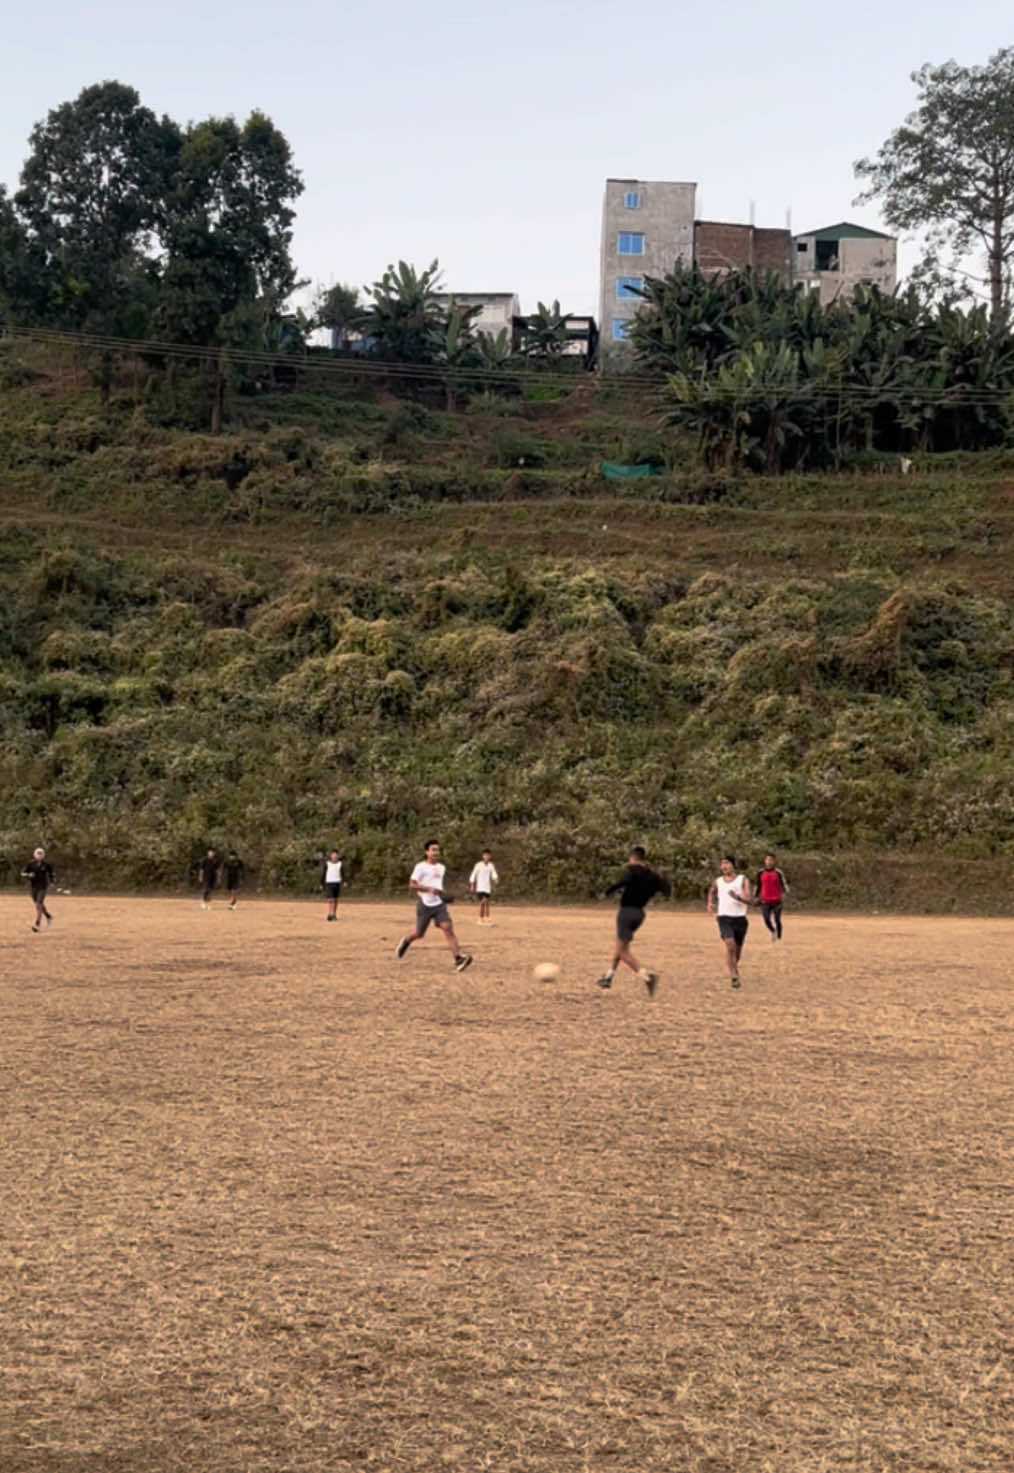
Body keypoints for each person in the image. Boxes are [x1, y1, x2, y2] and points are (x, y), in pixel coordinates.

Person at [597, 845, 671, 997]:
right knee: (620, 944)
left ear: (633, 859)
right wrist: (662, 878)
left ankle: (647, 977)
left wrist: (606, 893)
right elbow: (667, 891)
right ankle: (609, 977)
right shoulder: (652, 876)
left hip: (626, 912)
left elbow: (622, 883)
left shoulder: (633, 872)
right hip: (639, 914)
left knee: (622, 950)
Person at [396, 840, 473, 972]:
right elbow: (412, 884)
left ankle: (458, 959)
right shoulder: (420, 867)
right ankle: (406, 941)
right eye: (433, 850)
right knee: (419, 933)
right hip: (425, 904)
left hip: (439, 905)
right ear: (427, 852)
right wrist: (428, 889)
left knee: (448, 928)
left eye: (437, 850)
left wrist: (443, 894)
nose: (436, 852)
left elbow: (438, 884)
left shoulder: (442, 867)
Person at [707, 855, 751, 988]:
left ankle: (734, 968)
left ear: (733, 865)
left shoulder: (742, 880)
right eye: (722, 864)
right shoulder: (718, 881)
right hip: (724, 917)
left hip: (740, 918)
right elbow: (712, 891)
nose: (724, 866)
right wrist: (710, 903)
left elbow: (749, 899)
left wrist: (738, 897)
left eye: (727, 863)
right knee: (730, 944)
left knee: (736, 952)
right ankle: (733, 975)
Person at [755, 853, 789, 941]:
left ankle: (779, 937)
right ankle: (773, 931)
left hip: (777, 900)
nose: (769, 862)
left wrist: (784, 895)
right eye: (767, 860)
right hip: (765, 900)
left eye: (771, 860)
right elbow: (757, 885)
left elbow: (784, 885)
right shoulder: (760, 873)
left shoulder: (778, 873)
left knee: (777, 919)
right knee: (766, 919)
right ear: (765, 861)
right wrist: (755, 896)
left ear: (774, 862)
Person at [21, 847, 54, 932]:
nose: (39, 856)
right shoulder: (30, 864)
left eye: (41, 854)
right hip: (33, 887)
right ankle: (48, 916)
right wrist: (28, 875)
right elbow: (22, 873)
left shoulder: (46, 865)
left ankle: (37, 924)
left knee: (38, 904)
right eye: (38, 854)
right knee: (39, 904)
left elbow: (51, 875)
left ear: (43, 855)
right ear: (34, 855)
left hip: (43, 887)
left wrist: (51, 883)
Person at [469, 849, 499, 924]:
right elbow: (473, 874)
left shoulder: (491, 865)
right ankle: (482, 918)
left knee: (486, 902)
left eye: (488, 855)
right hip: (480, 887)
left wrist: (495, 879)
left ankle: (485, 918)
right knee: (483, 901)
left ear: (490, 856)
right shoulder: (478, 865)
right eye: (485, 855)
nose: (487, 856)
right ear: (483, 856)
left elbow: (493, 873)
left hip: (487, 887)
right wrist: (472, 885)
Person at [321, 849, 343, 922]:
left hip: (337, 882)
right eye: (333, 855)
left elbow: (343, 873)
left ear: (338, 856)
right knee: (331, 899)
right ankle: (330, 913)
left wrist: (345, 881)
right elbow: (323, 874)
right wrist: (321, 883)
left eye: (336, 855)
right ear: (331, 856)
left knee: (335, 899)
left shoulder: (340, 864)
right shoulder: (327, 864)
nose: (334, 856)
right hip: (329, 883)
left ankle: (333, 914)